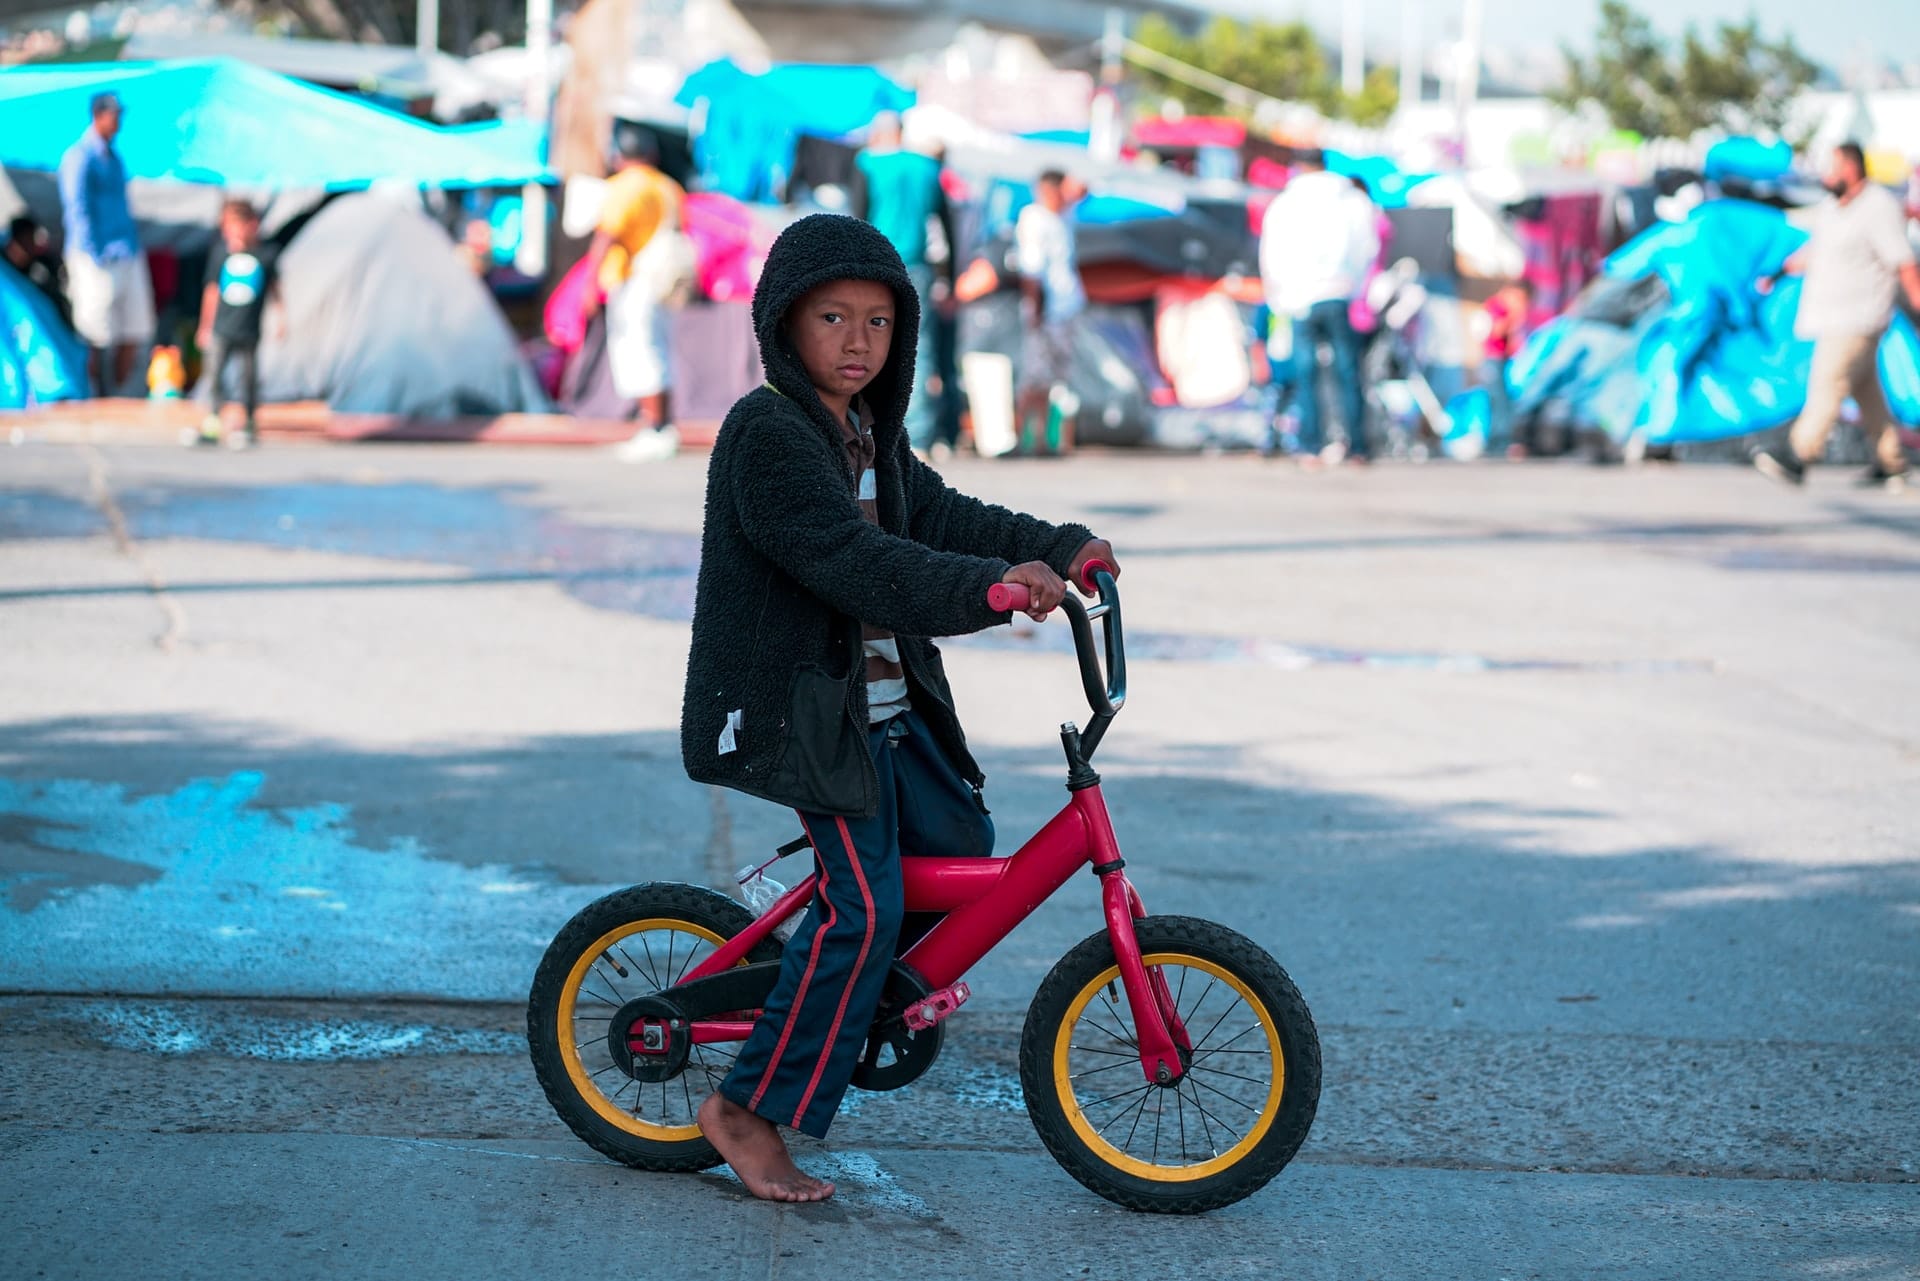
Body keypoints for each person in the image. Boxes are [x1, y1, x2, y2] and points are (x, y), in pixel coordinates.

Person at [681, 213, 1117, 1202]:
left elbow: (948, 517)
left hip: (888, 709)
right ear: (784, 324)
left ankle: (849, 1003)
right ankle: (745, 1110)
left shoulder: (870, 436)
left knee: (958, 839)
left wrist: (1058, 545)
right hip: (805, 712)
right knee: (868, 906)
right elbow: (854, 562)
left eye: (878, 323)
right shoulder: (771, 436)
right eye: (831, 318)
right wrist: (985, 593)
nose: (854, 342)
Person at [1753, 143, 1920, 490]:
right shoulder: (1833, 209)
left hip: (1859, 316)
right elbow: (1816, 250)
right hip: (1830, 315)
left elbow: (1903, 262)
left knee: (1827, 384)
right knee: (1866, 392)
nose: (1826, 175)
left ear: (1852, 168)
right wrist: (1777, 273)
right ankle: (1893, 464)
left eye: (1833, 167)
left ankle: (1798, 455)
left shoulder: (1878, 208)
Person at [1258, 148, 1381, 467]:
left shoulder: (1285, 204)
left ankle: (1310, 446)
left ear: (1298, 166)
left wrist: (1280, 298)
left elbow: (1272, 255)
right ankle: (1358, 447)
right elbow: (1368, 249)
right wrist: (1354, 287)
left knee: (1306, 373)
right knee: (1348, 371)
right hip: (1340, 292)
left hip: (1299, 297)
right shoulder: (1353, 202)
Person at [850, 113, 958, 460]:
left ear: (879, 135)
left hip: (876, 266)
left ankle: (874, 431)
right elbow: (947, 227)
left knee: (866, 344)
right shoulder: (927, 167)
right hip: (919, 267)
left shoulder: (867, 163)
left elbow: (856, 218)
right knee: (919, 349)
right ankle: (920, 436)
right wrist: (951, 278)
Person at [580, 123, 688, 463]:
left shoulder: (626, 186)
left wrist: (588, 282)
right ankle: (661, 426)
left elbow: (607, 235)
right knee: (657, 351)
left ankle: (654, 427)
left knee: (639, 353)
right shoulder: (668, 186)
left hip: (634, 280)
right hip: (661, 282)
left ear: (618, 156)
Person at [58, 91, 154, 394]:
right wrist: (94, 253)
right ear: (98, 115)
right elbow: (77, 208)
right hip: (96, 256)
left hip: (125, 251)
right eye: (113, 114)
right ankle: (93, 394)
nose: (118, 121)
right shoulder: (79, 156)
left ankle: (115, 395)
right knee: (95, 331)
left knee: (136, 327)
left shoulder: (114, 158)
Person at [194, 198, 279, 449]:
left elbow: (275, 289)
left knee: (248, 378)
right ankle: (213, 418)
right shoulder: (220, 254)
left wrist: (281, 319)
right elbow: (212, 291)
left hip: (249, 328)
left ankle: (249, 420)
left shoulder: (265, 254)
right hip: (222, 327)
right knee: (215, 374)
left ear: (252, 225)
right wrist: (205, 325)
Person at [1013, 170, 1087, 456]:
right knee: (1034, 376)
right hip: (1046, 308)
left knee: (1057, 378)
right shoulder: (1034, 218)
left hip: (1066, 307)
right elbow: (1031, 269)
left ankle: (1047, 439)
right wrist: (1034, 307)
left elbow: (1084, 190)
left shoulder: (1063, 216)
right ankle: (1023, 437)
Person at [1480, 279, 1532, 457]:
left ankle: (1502, 441)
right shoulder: (1497, 308)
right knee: (1498, 401)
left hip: (1503, 360)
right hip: (1493, 360)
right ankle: (1498, 442)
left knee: (1504, 401)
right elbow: (1496, 331)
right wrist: (1513, 316)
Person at [4, 216, 72, 329]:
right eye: (22, 243)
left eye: (29, 242)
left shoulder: (43, 270)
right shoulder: (5, 275)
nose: (26, 250)